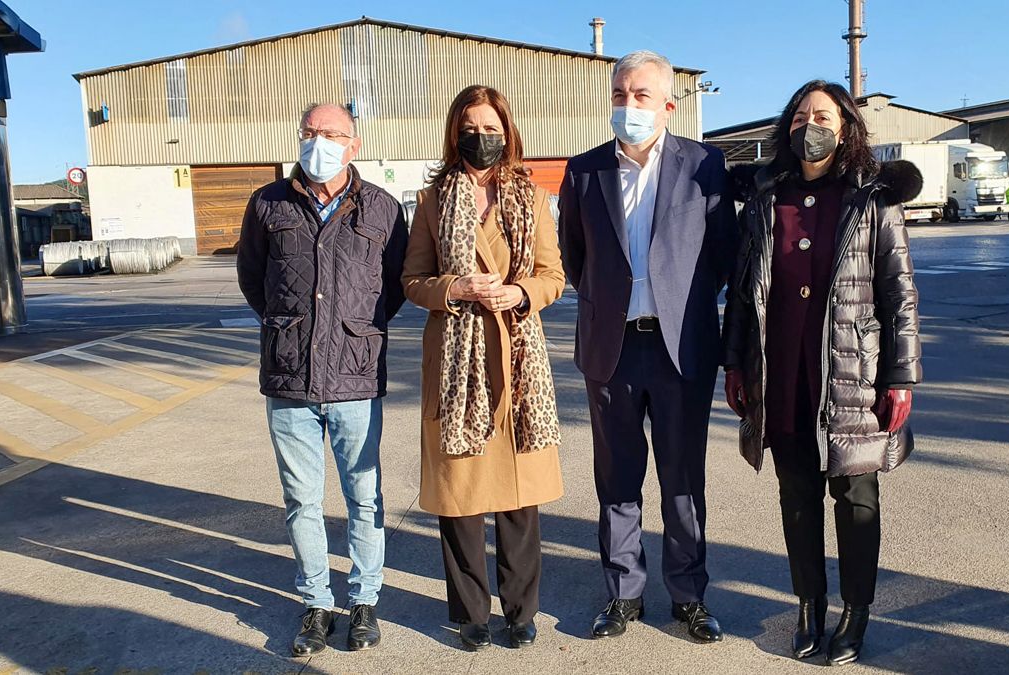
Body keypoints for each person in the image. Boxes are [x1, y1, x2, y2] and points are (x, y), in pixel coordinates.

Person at [722, 80, 923, 666]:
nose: (811, 125)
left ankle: (855, 612)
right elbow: (742, 293)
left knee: (856, 492)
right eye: (802, 116)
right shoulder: (766, 199)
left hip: (852, 367)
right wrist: (735, 362)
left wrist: (901, 377)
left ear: (846, 127)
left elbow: (900, 294)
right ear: (787, 128)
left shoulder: (872, 197)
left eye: (824, 115)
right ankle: (808, 603)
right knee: (797, 493)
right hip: (781, 366)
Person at [558, 50, 738, 644]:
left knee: (683, 478)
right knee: (617, 477)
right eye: (619, 94)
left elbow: (721, 255)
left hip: (679, 348)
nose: (628, 106)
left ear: (667, 104)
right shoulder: (585, 172)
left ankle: (688, 595)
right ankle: (623, 594)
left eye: (640, 96)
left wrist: (675, 300)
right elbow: (574, 257)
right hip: (611, 349)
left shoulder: (704, 165)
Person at [236, 103, 408, 657]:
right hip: (289, 377)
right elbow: (252, 278)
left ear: (353, 144)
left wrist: (356, 327)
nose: (319, 142)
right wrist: (289, 326)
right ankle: (315, 603)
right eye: (311, 132)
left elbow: (395, 286)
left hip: (357, 377)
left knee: (366, 497)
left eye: (332, 134)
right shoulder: (267, 203)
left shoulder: (381, 208)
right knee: (301, 500)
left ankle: (364, 601)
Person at [402, 85, 565, 652]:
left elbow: (552, 275)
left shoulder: (533, 197)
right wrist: (455, 287)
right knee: (461, 494)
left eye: (491, 127)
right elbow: (412, 281)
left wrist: (521, 294)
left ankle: (521, 613)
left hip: (518, 358)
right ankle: (470, 613)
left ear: (507, 131)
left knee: (520, 495)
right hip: (455, 363)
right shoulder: (430, 201)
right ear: (455, 133)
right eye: (471, 127)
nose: (482, 137)